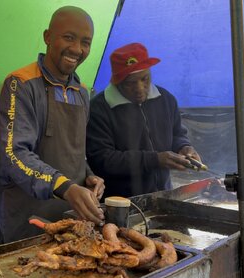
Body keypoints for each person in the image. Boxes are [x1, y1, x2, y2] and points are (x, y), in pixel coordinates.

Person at [0, 6, 105, 243]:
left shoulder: (83, 92)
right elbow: (14, 154)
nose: (77, 49)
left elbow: (75, 152)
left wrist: (88, 176)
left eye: (85, 42)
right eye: (68, 37)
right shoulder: (21, 83)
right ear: (47, 36)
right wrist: (65, 187)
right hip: (29, 215)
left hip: (73, 217)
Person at [86, 42, 202, 198]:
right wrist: (154, 160)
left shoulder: (166, 100)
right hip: (120, 201)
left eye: (145, 79)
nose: (140, 89)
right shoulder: (99, 108)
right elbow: (103, 159)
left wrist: (184, 146)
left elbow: (176, 134)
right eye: (130, 83)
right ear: (117, 81)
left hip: (164, 195)